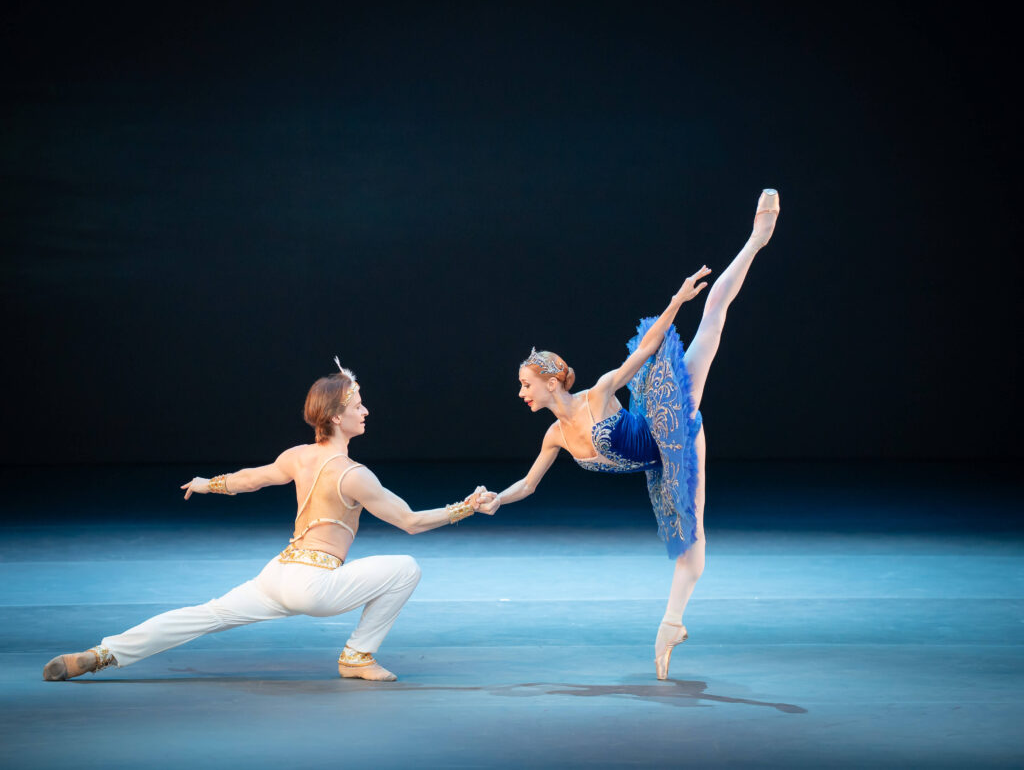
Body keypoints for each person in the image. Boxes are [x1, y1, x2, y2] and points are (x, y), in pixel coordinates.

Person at [478, 190, 780, 680]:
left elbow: (643, 351)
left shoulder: (598, 394)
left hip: (668, 421)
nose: (521, 394)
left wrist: (677, 299)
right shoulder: (554, 437)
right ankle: (671, 626)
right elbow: (528, 485)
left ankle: (756, 240)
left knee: (710, 319)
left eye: (525, 385)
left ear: (551, 382)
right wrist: (496, 500)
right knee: (691, 553)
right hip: (659, 464)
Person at [43, 362, 498, 682]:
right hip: (314, 583)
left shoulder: (298, 456)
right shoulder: (355, 475)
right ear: (337, 417)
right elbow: (412, 522)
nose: (365, 411)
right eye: (358, 405)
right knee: (406, 567)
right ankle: (357, 655)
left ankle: (101, 654)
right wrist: (467, 506)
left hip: (277, 574)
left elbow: (249, 480)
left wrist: (205, 483)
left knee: (203, 616)